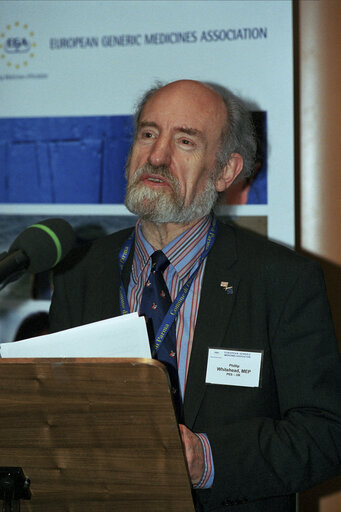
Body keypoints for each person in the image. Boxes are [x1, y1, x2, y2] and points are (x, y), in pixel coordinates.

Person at [49, 80, 341, 511]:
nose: (157, 156)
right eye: (148, 134)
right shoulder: (81, 273)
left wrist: (206, 459)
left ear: (226, 171)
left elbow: (327, 432)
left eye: (184, 141)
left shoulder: (281, 280)